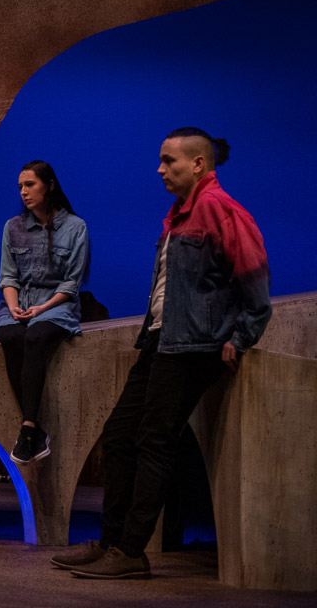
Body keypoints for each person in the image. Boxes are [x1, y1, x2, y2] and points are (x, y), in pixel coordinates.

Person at [53, 128, 271, 579]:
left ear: (198, 164)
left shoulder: (221, 210)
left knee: (155, 440)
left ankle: (132, 551)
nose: (160, 169)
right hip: (159, 339)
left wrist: (241, 337)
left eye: (169, 160)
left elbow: (255, 282)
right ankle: (111, 540)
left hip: (193, 346)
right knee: (118, 436)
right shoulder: (179, 213)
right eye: (160, 160)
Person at [0, 161, 90, 464]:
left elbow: (71, 284)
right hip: (19, 303)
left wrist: (42, 308)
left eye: (30, 185)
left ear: (49, 185)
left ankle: (28, 427)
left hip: (56, 305)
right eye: (20, 186)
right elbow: (8, 277)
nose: (24, 192)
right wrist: (13, 307)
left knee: (35, 336)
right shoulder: (14, 227)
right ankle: (34, 432)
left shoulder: (75, 227)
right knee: (10, 334)